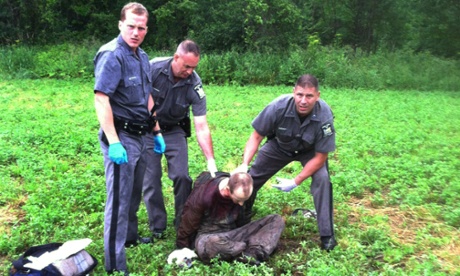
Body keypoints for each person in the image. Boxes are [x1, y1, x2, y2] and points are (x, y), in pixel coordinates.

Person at [93, 2, 166, 274]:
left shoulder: (142, 56)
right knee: (119, 200)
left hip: (142, 135)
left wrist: (156, 131)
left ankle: (130, 238)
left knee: (134, 193)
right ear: (121, 24)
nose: (136, 32)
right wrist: (113, 141)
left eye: (141, 27)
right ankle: (114, 266)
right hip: (121, 136)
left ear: (146, 29)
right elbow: (101, 100)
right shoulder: (112, 55)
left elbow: (147, 96)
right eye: (131, 26)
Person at [233, 74, 337, 251]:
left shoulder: (324, 116)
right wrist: (244, 164)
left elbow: (321, 157)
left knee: (323, 180)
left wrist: (296, 181)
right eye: (300, 95)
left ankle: (327, 234)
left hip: (309, 151)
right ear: (293, 92)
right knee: (251, 177)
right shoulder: (277, 106)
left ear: (317, 96)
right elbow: (257, 136)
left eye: (309, 96)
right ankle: (240, 216)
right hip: (280, 146)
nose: (303, 101)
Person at [131, 40, 217, 238]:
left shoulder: (194, 84)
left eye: (194, 67)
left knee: (182, 176)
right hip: (149, 131)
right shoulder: (152, 69)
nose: (189, 71)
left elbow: (201, 125)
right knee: (150, 180)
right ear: (175, 57)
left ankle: (182, 222)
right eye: (186, 66)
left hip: (174, 130)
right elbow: (137, 98)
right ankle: (158, 226)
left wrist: (211, 161)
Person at [169, 171, 285, 266]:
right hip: (209, 236)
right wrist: (182, 248)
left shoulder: (246, 192)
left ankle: (248, 253)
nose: (241, 204)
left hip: (234, 233)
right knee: (211, 244)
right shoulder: (205, 195)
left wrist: (246, 232)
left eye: (243, 200)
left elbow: (245, 217)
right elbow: (188, 223)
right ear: (227, 190)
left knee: (276, 219)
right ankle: (251, 251)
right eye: (238, 200)